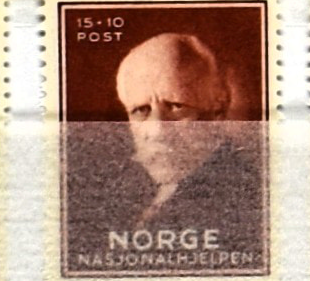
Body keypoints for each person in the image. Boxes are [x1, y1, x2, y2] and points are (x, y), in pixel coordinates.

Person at [106, 30, 264, 253]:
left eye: (176, 106)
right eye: (141, 111)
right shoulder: (124, 196)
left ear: (218, 108)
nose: (158, 131)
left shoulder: (243, 200)